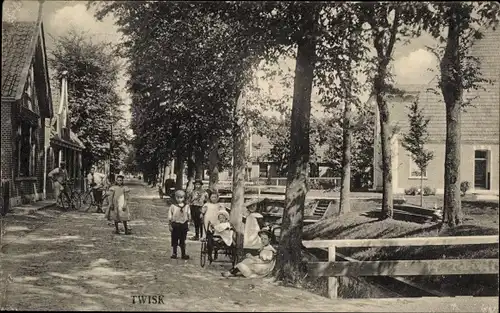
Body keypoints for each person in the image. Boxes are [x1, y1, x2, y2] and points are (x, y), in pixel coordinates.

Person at [168, 190, 191, 260]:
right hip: (175, 224)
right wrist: (170, 225)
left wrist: (188, 224)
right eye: (177, 197)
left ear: (184, 198)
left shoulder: (187, 206)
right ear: (175, 198)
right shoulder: (173, 206)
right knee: (174, 239)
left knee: (183, 240)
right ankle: (174, 253)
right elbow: (170, 215)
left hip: (183, 224)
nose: (179, 199)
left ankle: (183, 254)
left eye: (181, 197)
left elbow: (189, 215)